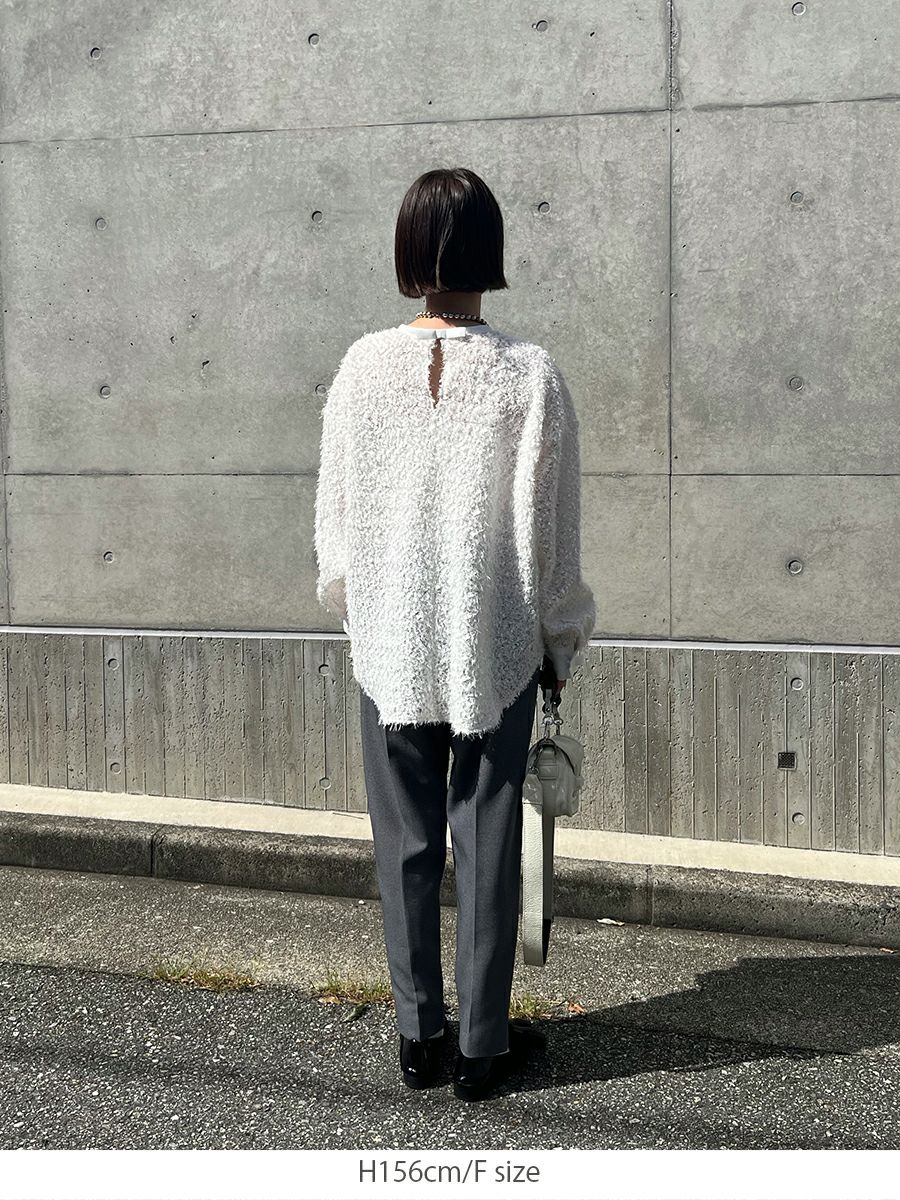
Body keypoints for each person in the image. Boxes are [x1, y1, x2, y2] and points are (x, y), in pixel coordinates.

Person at [313, 166, 596, 1102]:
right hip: (494, 643)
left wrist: (361, 609)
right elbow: (552, 534)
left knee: (403, 841)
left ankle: (415, 1036)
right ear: (490, 251)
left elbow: (336, 526)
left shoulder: (362, 367)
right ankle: (480, 1048)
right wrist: (560, 637)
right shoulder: (528, 372)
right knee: (487, 838)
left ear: (406, 253)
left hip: (391, 642)